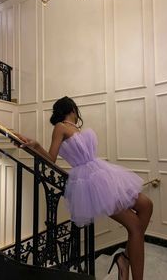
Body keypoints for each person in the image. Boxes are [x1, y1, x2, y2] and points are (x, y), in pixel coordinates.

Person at [16, 96, 153, 280]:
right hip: (91, 181)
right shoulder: (60, 127)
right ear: (72, 109)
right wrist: (36, 145)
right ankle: (129, 269)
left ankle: (124, 258)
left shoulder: (76, 128)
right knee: (135, 226)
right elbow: (51, 159)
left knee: (146, 205)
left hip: (102, 172)